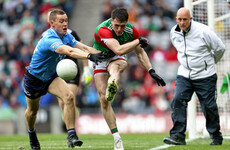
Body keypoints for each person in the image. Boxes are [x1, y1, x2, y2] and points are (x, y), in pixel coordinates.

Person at [24, 8, 103, 150]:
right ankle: (32, 133)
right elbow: (70, 51)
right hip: (34, 78)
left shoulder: (66, 36)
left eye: (66, 20)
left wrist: (100, 53)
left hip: (50, 77)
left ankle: (72, 135)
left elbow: (82, 46)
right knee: (32, 112)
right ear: (52, 23)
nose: (65, 24)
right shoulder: (49, 38)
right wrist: (90, 57)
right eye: (61, 21)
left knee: (69, 96)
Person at [93, 7, 166, 150]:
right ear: (111, 21)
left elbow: (140, 52)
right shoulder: (103, 29)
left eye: (123, 26)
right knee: (103, 100)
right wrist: (138, 41)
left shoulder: (131, 30)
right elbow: (119, 49)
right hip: (101, 58)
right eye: (116, 26)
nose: (119, 30)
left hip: (117, 59)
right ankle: (117, 137)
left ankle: (112, 85)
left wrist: (151, 70)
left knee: (114, 68)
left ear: (127, 22)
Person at [163, 7, 225, 146]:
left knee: (209, 107)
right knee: (178, 100)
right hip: (184, 74)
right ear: (176, 19)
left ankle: (216, 135)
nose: (182, 22)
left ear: (191, 19)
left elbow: (220, 48)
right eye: (179, 19)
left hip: (205, 75)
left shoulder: (204, 31)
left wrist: (210, 62)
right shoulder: (173, 32)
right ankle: (178, 136)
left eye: (185, 19)